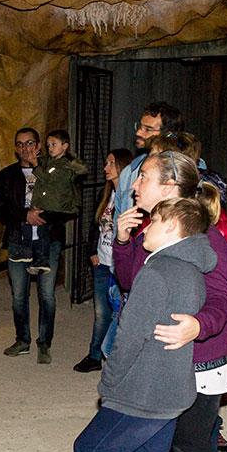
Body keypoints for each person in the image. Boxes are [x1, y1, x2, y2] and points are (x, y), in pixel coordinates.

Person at [113, 151, 227, 452]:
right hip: (159, 354)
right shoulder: (148, 226)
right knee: (136, 427)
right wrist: (123, 242)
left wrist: (199, 325)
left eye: (143, 178)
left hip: (200, 357)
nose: (134, 185)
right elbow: (130, 282)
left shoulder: (206, 235)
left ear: (169, 186)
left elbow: (224, 298)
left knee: (191, 445)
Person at [74, 197, 216, 452]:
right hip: (172, 392)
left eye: (154, 221)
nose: (146, 228)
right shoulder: (193, 270)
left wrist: (108, 385)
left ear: (173, 227)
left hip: (141, 394)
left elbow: (128, 338)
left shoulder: (157, 273)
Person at [0, 127, 61, 365]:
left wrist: (42, 215)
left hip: (48, 240)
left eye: (30, 143)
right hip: (18, 240)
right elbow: (1, 211)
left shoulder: (54, 171)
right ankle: (22, 340)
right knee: (19, 296)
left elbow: (65, 205)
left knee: (47, 295)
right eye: (20, 144)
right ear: (15, 148)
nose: (25, 148)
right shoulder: (7, 175)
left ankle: (44, 343)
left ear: (39, 145)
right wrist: (25, 215)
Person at [73, 148, 133, 373]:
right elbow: (94, 225)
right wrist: (92, 250)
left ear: (123, 167)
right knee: (101, 313)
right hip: (102, 261)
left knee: (121, 313)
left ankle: (119, 359)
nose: (105, 168)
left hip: (120, 266)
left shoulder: (130, 197)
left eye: (110, 163)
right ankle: (95, 355)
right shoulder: (105, 193)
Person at [26, 129, 88, 274]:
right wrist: (34, 155)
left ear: (65, 146)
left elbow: (49, 181)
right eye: (48, 145)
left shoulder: (66, 165)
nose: (50, 148)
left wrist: (35, 165)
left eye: (54, 144)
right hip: (49, 205)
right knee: (44, 230)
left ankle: (43, 259)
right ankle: (42, 259)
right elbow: (39, 161)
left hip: (59, 207)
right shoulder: (49, 161)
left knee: (44, 227)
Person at [113, 102, 186, 219]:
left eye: (148, 129)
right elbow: (118, 217)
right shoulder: (129, 172)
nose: (138, 133)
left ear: (168, 134)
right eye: (139, 127)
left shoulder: (188, 170)